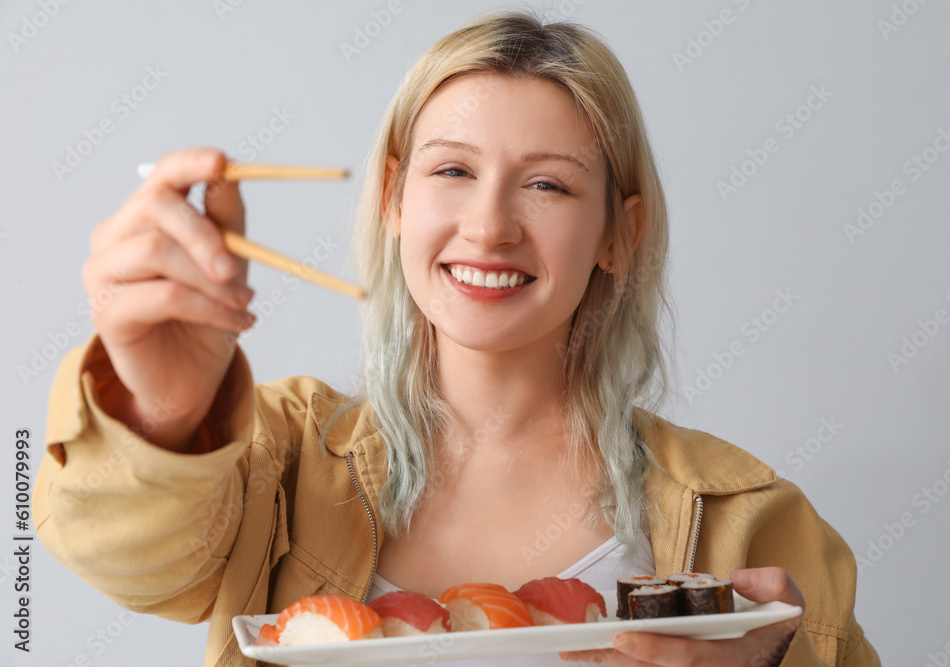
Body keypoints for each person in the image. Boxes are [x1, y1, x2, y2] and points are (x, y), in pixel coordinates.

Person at [33, 10, 880, 667]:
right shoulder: (273, 458)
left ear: (620, 234)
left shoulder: (751, 520)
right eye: (452, 171)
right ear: (395, 198)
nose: (489, 226)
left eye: (546, 183)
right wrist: (164, 406)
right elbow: (132, 560)